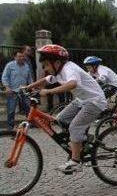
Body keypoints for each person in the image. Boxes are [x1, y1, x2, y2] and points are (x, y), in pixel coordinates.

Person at [25, 45, 107, 173]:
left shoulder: (69, 68)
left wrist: (48, 92)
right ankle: (81, 141)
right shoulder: (58, 71)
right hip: (82, 100)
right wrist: (28, 87)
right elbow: (46, 80)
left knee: (74, 127)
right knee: (60, 119)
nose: (45, 68)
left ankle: (75, 162)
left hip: (95, 101)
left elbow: (72, 83)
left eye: (46, 65)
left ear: (57, 62)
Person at [2, 49, 33, 128]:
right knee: (11, 110)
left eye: (23, 56)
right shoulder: (10, 65)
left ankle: (29, 124)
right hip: (13, 91)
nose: (22, 58)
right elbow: (4, 77)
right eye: (19, 56)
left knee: (28, 108)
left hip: (24, 91)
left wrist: (31, 86)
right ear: (15, 57)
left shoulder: (26, 66)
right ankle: (10, 127)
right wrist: (7, 87)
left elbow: (29, 78)